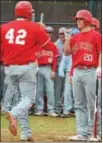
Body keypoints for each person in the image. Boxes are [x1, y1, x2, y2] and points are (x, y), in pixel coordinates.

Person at [1, 1, 57, 141]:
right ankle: (13, 114)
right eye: (31, 12)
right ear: (28, 13)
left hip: (9, 69)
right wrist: (42, 31)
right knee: (28, 99)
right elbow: (51, 48)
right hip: (26, 67)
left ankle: (26, 133)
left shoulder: (4, 27)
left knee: (21, 100)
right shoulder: (34, 28)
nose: (32, 14)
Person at [64, 10, 101, 141]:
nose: (78, 21)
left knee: (91, 104)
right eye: (77, 19)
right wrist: (67, 38)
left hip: (91, 70)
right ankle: (82, 133)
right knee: (79, 104)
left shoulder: (96, 35)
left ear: (87, 20)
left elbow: (100, 52)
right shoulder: (75, 37)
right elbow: (67, 53)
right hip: (77, 71)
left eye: (80, 19)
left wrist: (100, 67)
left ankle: (93, 132)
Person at [35, 24, 59, 117]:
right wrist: (35, 68)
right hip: (38, 67)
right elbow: (34, 57)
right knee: (39, 89)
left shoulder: (52, 45)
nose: (48, 34)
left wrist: (53, 70)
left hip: (48, 68)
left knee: (50, 89)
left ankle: (51, 110)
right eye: (46, 32)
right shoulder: (37, 44)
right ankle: (39, 109)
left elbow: (55, 59)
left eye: (50, 33)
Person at [59, 28, 80, 118]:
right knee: (67, 92)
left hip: (79, 71)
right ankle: (67, 110)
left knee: (78, 93)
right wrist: (61, 69)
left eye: (75, 35)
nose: (73, 37)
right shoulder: (68, 45)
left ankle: (77, 110)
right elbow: (64, 59)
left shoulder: (80, 45)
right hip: (69, 72)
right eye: (72, 35)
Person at [54, 27, 66, 115]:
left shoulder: (69, 43)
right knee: (58, 89)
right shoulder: (55, 44)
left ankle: (65, 109)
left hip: (68, 70)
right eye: (60, 34)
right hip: (58, 69)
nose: (62, 35)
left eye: (64, 33)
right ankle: (57, 108)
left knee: (67, 90)